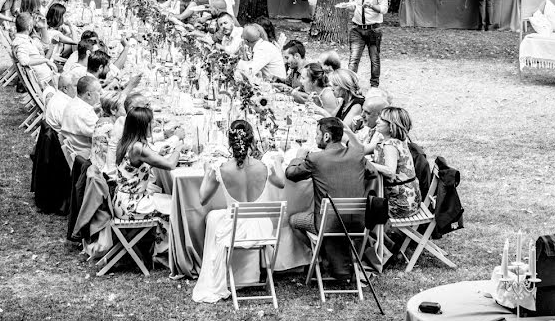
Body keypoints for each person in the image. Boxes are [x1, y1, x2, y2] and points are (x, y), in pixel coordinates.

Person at [192, 120, 285, 304]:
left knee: (213, 217)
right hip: (261, 230)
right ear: (252, 142)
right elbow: (281, 182)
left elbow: (202, 199)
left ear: (230, 143)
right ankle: (248, 275)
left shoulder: (221, 168)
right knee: (215, 217)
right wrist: (277, 160)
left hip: (235, 232)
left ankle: (223, 274)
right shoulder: (264, 166)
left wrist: (206, 172)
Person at [286, 117, 366, 282]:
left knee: (293, 220)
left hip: (328, 224)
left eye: (317, 134)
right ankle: (333, 257)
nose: (315, 137)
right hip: (358, 222)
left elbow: (291, 174)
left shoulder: (316, 158)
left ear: (327, 137)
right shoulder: (357, 153)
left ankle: (320, 256)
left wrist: (299, 157)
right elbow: (354, 145)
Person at [113, 106, 181, 224]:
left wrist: (158, 154)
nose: (154, 125)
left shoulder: (126, 141)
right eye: (152, 122)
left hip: (123, 201)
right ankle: (164, 241)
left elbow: (136, 166)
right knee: (177, 207)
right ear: (143, 125)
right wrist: (178, 147)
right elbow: (171, 165)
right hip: (132, 206)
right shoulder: (138, 147)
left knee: (169, 199)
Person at [363, 106, 420, 218]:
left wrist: (365, 162)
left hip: (400, 204)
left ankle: (370, 234)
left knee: (363, 208)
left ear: (392, 126)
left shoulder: (390, 145)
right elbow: (364, 150)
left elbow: (390, 172)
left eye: (382, 119)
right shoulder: (397, 141)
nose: (377, 121)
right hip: (411, 200)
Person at [345, 0, 389, 88]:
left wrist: (371, 6)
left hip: (373, 30)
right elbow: (353, 6)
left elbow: (384, 9)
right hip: (357, 28)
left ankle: (374, 86)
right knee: (353, 59)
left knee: (374, 59)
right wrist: (349, 6)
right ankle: (349, 85)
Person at [59, 75, 102, 160]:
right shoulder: (85, 114)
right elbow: (103, 134)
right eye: (99, 92)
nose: (101, 95)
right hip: (86, 157)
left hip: (76, 151)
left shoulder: (73, 103)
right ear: (89, 94)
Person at [10, 13, 57, 85]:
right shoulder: (21, 42)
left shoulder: (25, 39)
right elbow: (24, 61)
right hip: (44, 81)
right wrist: (46, 60)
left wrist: (43, 28)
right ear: (29, 27)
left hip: (46, 76)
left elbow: (45, 45)